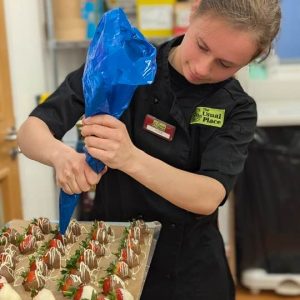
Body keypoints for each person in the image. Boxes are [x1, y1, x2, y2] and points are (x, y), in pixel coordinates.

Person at [17, 0, 281, 299]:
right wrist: (61, 157)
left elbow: (208, 196)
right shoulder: (123, 64)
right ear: (193, 13)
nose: (201, 68)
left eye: (226, 64)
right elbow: (31, 132)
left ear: (252, 59)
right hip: (109, 255)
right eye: (202, 45)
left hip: (189, 273)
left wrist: (129, 158)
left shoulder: (237, 108)